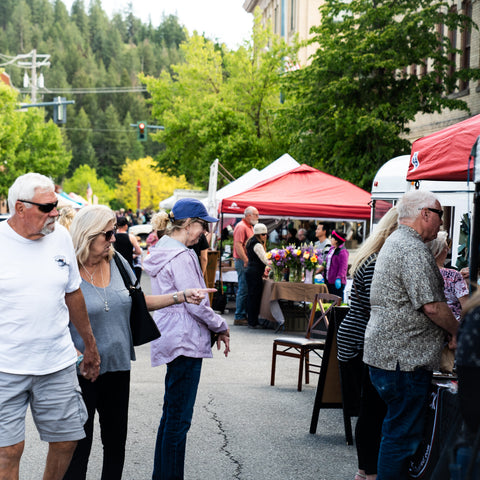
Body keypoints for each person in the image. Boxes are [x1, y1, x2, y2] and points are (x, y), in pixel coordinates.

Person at [63, 205, 210, 480]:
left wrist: (181, 296)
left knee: (115, 444)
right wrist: (76, 355)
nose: (113, 239)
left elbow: (139, 302)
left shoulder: (117, 261)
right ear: (87, 234)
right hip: (79, 371)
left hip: (118, 367)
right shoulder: (67, 268)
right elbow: (53, 320)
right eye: (107, 234)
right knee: (78, 446)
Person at [0, 172, 100, 480]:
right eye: (46, 208)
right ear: (19, 208)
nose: (55, 213)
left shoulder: (60, 238)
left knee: (67, 439)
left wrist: (90, 346)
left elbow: (73, 293)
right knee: (7, 451)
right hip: (6, 366)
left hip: (56, 363)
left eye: (55, 205)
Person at [363, 190, 459, 479]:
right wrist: (458, 330)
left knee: (395, 433)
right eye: (440, 215)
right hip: (403, 360)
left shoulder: (397, 241)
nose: (442, 224)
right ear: (425, 213)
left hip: (389, 357)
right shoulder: (412, 248)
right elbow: (432, 306)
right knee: (401, 438)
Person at [142, 198, 230, 480]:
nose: (203, 233)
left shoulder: (164, 250)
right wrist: (221, 324)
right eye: (202, 226)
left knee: (171, 417)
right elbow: (196, 302)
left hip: (172, 336)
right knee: (178, 421)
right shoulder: (182, 255)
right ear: (189, 224)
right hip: (185, 340)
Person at [336, 207, 399, 480]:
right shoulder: (376, 261)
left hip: (357, 336)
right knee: (371, 408)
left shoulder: (371, 256)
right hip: (361, 339)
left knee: (369, 408)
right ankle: (367, 472)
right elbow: (378, 306)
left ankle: (365, 472)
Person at [428, 231, 469, 321]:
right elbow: (467, 306)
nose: (447, 250)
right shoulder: (454, 275)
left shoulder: (422, 273)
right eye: (446, 248)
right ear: (438, 252)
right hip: (454, 324)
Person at [233, 206, 259, 326]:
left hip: (245, 260)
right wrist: (246, 260)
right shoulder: (241, 227)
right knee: (243, 288)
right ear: (248, 215)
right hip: (242, 260)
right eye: (256, 215)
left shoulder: (249, 227)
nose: (257, 217)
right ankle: (239, 316)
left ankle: (242, 314)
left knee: (245, 288)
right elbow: (238, 245)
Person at [245, 223, 271, 329]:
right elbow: (264, 259)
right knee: (254, 297)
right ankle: (253, 321)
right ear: (259, 234)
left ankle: (252, 320)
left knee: (252, 296)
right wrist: (275, 267)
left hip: (251, 271)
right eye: (264, 234)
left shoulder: (251, 242)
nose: (265, 236)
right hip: (254, 273)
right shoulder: (257, 244)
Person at [320, 230, 349, 300]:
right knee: (328, 300)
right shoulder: (331, 249)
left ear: (336, 240)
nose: (330, 239)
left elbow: (343, 267)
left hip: (336, 282)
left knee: (336, 302)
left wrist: (339, 278)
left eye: (332, 238)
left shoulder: (343, 252)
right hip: (328, 280)